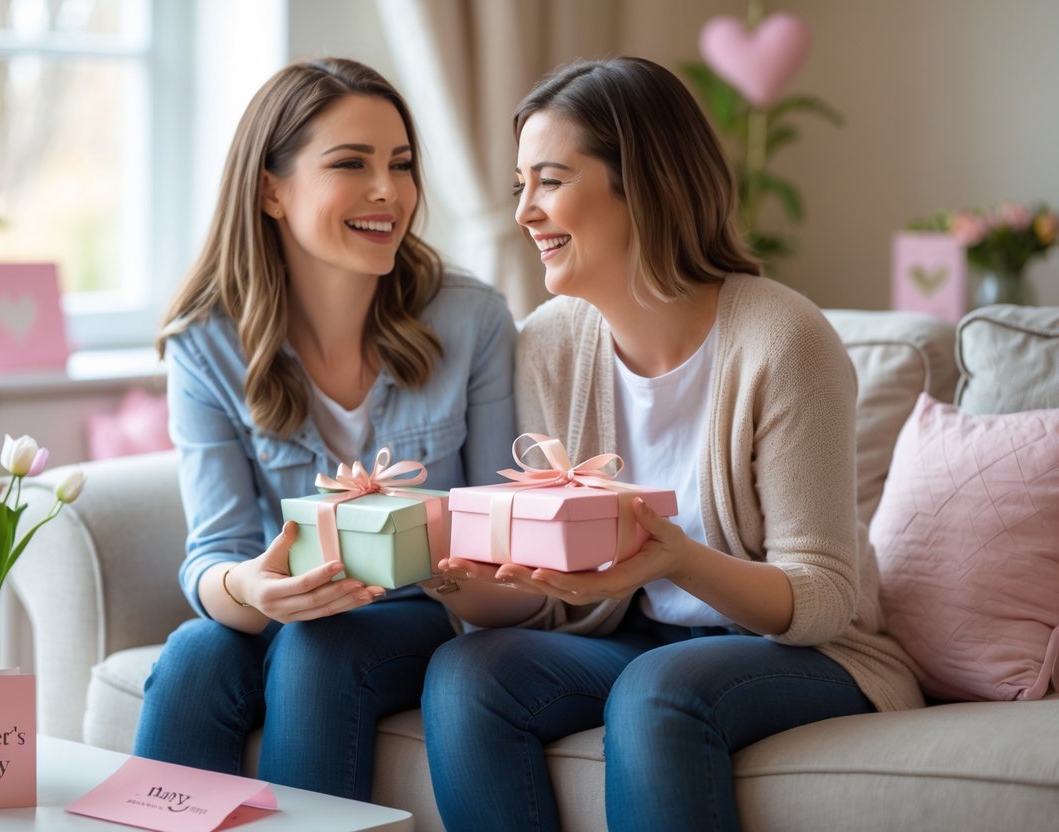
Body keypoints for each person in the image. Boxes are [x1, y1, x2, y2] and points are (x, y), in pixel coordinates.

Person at [421, 56, 924, 832]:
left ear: (643, 184)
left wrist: (678, 557)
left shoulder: (783, 339)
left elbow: (824, 596)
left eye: (549, 181)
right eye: (519, 185)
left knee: (659, 688)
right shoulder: (548, 344)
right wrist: (448, 572)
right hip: (637, 638)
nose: (524, 212)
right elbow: (553, 610)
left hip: (811, 653)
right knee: (468, 673)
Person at [132, 57, 517, 802]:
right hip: (278, 614)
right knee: (193, 654)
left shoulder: (471, 320)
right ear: (271, 189)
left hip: (424, 621)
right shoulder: (205, 343)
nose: (388, 191)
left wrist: (441, 561)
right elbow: (213, 554)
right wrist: (249, 587)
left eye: (400, 165)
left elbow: (502, 543)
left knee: (319, 647)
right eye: (351, 163)